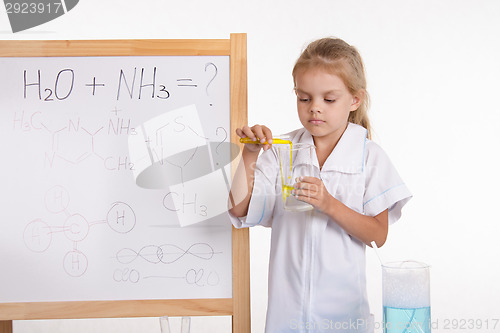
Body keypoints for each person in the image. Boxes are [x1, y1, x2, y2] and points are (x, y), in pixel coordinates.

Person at [228, 37, 412, 332]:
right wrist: (249, 154)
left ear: (355, 99)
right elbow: (239, 209)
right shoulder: (281, 150)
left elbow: (377, 236)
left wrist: (330, 204)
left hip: (344, 317)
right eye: (304, 98)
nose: (315, 108)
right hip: (286, 316)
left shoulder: (369, 157)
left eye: (328, 99)